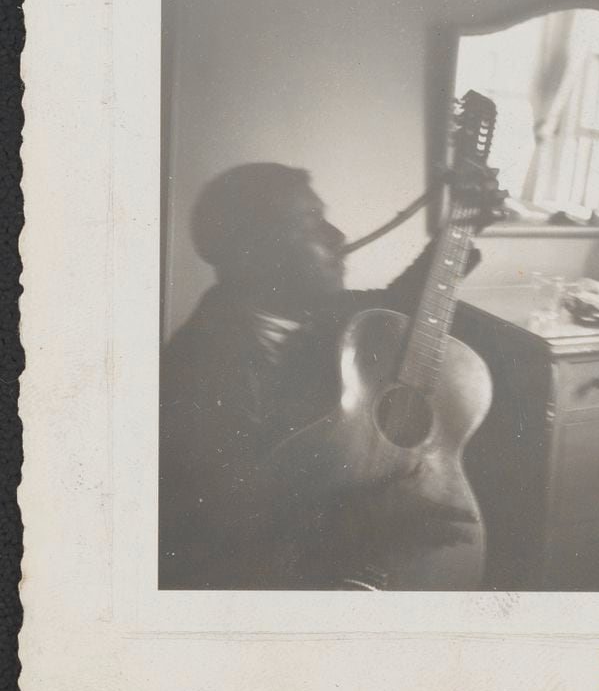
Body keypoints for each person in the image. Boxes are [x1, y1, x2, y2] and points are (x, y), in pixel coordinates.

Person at [160, 161, 504, 589]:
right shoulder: (196, 370)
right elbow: (223, 543)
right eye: (311, 223)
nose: (338, 236)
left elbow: (397, 307)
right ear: (252, 249)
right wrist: (376, 519)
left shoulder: (320, 312)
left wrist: (463, 226)